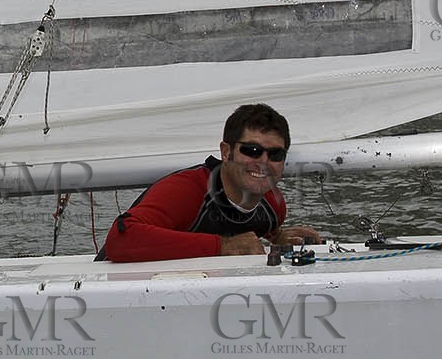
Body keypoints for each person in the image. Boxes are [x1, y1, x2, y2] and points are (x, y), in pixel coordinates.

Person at [101, 103, 322, 262]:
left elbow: (250, 232)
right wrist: (223, 246)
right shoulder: (188, 190)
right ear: (226, 152)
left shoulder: (274, 207)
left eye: (275, 154)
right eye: (251, 151)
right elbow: (121, 239)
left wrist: (279, 240)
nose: (263, 163)